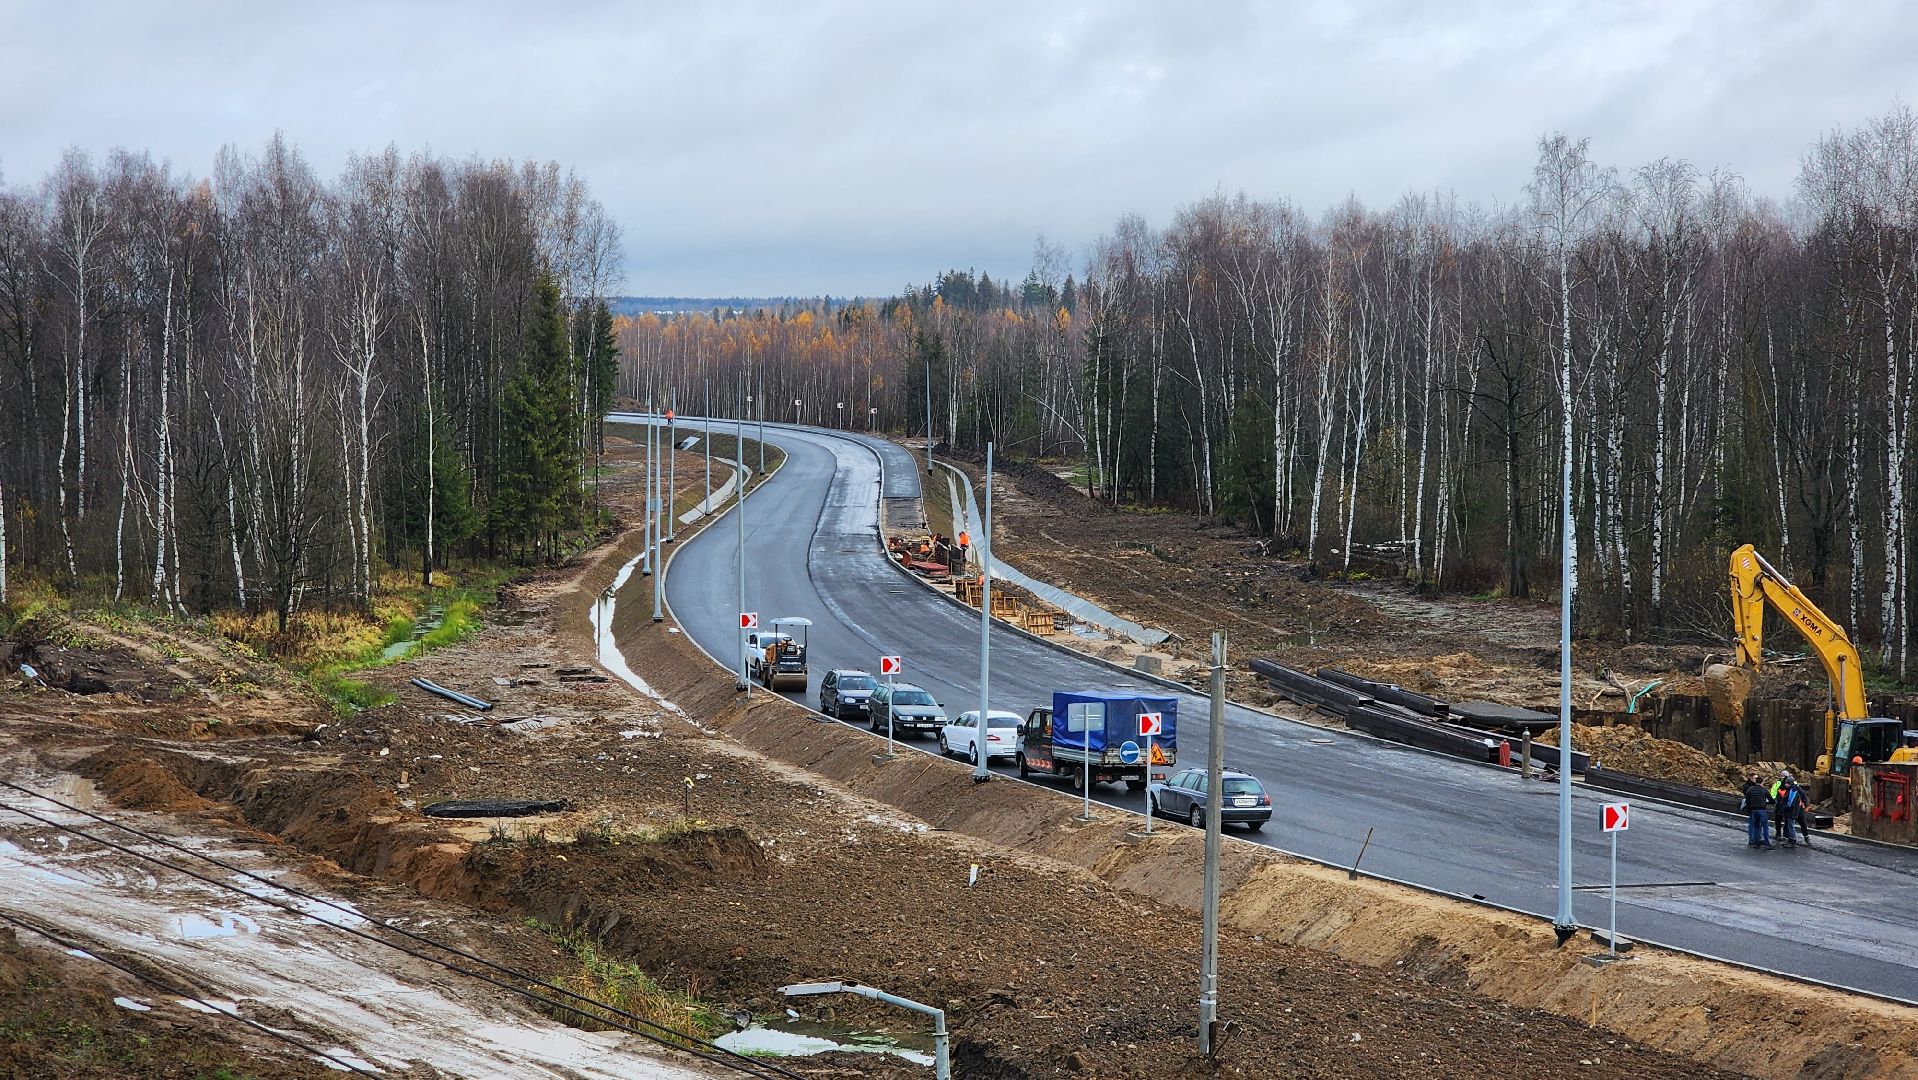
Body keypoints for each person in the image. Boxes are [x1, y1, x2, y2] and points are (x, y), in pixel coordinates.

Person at [1741, 774, 1773, 849]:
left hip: (1753, 810)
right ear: (1761, 782)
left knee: (1755, 826)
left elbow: (1747, 800)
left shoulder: (1750, 789)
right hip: (1762, 809)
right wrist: (1769, 802)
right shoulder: (1764, 789)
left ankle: (1756, 842)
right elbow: (1771, 799)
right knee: (1765, 826)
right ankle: (1766, 841)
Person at [1772, 771, 1796, 847]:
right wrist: (1776, 800)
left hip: (1784, 804)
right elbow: (1773, 792)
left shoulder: (1782, 783)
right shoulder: (1779, 783)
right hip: (1781, 804)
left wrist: (1776, 800)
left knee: (1783, 820)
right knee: (1780, 819)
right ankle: (1781, 834)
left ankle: (1784, 834)